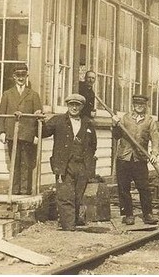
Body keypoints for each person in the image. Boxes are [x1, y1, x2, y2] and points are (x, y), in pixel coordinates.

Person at [42, 94, 97, 231]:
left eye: (77, 105)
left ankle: (70, 221)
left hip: (82, 165)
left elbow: (93, 144)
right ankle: (68, 226)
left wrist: (88, 161)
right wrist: (40, 120)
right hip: (64, 165)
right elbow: (42, 132)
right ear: (67, 105)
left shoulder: (87, 122)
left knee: (77, 195)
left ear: (82, 107)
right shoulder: (58, 120)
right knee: (65, 195)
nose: (74, 107)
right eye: (71, 104)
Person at [111, 94, 159, 225]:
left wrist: (154, 154)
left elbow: (155, 139)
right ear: (133, 105)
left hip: (140, 159)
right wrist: (115, 125)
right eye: (136, 104)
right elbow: (116, 136)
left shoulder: (149, 121)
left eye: (142, 104)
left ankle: (148, 214)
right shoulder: (125, 119)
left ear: (145, 106)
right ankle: (128, 215)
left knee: (143, 187)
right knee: (123, 188)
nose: (139, 106)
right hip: (124, 158)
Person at [0, 64, 43, 195]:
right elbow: (1, 114)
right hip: (12, 133)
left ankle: (24, 190)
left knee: (26, 163)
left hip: (27, 134)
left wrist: (35, 134)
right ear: (14, 77)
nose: (21, 78)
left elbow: (38, 115)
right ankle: (14, 189)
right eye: (18, 75)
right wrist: (2, 132)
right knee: (14, 162)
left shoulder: (33, 95)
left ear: (27, 76)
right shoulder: (7, 94)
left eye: (23, 75)